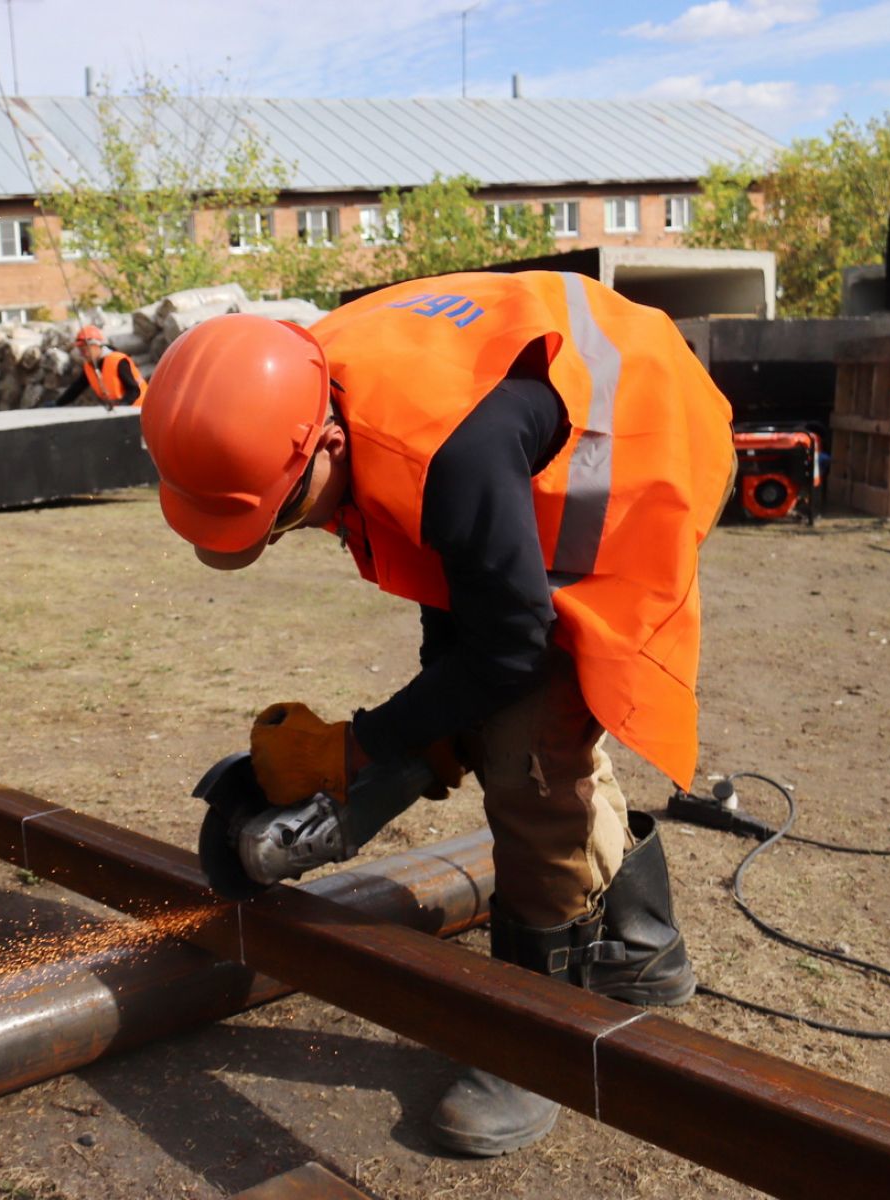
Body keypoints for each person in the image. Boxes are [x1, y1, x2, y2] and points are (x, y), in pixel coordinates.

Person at [139, 271, 735, 1157]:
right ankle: (647, 948)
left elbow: (507, 643)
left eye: (290, 510)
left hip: (649, 448)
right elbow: (448, 568)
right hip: (525, 442)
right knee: (498, 711)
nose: (292, 531)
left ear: (329, 441)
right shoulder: (302, 373)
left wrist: (368, 746)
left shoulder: (449, 455)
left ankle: (538, 1046)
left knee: (533, 751)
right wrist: (426, 716)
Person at [41, 325, 146, 408]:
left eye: (85, 349)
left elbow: (134, 390)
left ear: (97, 345)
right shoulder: (90, 366)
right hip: (121, 412)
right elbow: (76, 388)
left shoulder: (118, 361)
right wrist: (58, 403)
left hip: (140, 409)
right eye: (81, 349)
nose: (83, 353)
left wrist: (123, 405)